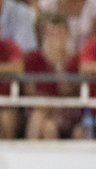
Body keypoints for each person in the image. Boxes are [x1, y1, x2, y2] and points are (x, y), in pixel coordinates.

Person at [23, 11, 82, 139]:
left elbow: (67, 92)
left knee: (45, 121)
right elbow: (28, 90)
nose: (55, 37)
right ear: (44, 36)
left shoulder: (75, 60)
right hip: (41, 109)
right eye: (50, 33)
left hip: (67, 110)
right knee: (44, 122)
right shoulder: (34, 58)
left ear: (67, 35)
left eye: (59, 33)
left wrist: (59, 64)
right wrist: (47, 104)